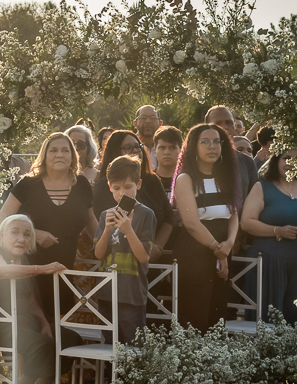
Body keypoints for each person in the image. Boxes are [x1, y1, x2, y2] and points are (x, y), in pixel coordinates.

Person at [0, 132, 96, 315]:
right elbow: (1, 221)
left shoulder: (81, 184)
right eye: (54, 150)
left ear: (72, 156)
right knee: (36, 325)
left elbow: (91, 222)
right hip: (30, 268)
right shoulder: (28, 184)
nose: (60, 154)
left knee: (59, 325)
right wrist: (36, 234)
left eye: (65, 150)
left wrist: (105, 245)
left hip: (64, 270)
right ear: (44, 155)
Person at [0, 214, 67, 384]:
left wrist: (44, 322)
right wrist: (43, 269)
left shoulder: (23, 259)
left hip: (25, 322)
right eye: (15, 232)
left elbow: (30, 299)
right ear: (2, 235)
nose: (21, 238)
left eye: (26, 234)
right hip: (0, 325)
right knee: (43, 345)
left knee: (67, 339)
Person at [169, 123, 240, 332]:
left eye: (217, 142)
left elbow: (235, 215)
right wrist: (218, 251)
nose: (212, 147)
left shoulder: (226, 177)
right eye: (205, 142)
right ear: (194, 147)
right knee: (195, 316)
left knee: (217, 318)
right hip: (196, 253)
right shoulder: (186, 179)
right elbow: (191, 224)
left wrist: (228, 245)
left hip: (224, 249)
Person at [239, 148, 297, 323]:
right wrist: (277, 231)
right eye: (286, 158)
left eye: (296, 159)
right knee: (268, 317)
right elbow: (246, 222)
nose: (291, 163)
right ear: (276, 160)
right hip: (268, 261)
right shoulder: (261, 187)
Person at [94, 156, 156, 345]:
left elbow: (144, 256)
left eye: (128, 187)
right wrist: (106, 230)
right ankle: (111, 376)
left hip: (131, 293)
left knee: (133, 344)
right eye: (117, 188)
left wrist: (128, 230)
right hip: (106, 292)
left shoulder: (146, 214)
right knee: (110, 344)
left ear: (138, 184)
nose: (122, 193)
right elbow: (98, 254)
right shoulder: (106, 214)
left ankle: (131, 376)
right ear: (110, 187)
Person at [91, 130, 174, 262]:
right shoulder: (103, 187)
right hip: (119, 259)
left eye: (138, 146)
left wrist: (155, 247)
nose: (135, 151)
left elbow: (169, 217)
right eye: (128, 148)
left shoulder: (152, 180)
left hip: (151, 257)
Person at [206, 105, 258, 214]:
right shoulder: (196, 160)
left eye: (228, 123)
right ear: (206, 127)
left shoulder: (247, 162)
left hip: (241, 227)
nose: (224, 127)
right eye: (218, 123)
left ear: (234, 126)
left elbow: (255, 201)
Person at [152, 125, 182, 193]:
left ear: (180, 150)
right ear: (155, 151)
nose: (167, 152)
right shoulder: (147, 180)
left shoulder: (188, 179)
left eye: (172, 148)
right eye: (162, 148)